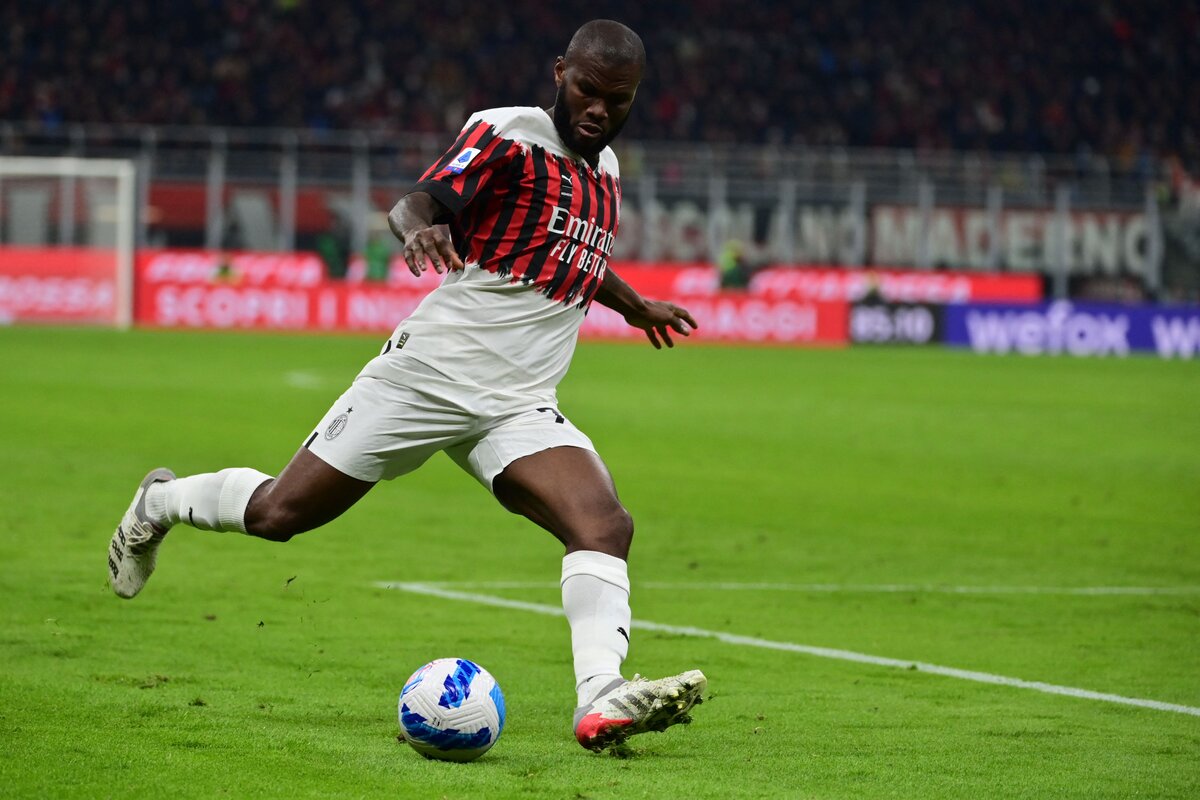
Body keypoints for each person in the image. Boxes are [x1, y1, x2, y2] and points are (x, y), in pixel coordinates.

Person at [107, 19, 706, 754]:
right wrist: (419, 229)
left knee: (605, 525)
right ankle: (159, 501)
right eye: (586, 90)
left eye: (617, 99)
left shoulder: (605, 171)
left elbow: (566, 252)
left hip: (518, 404)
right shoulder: (507, 133)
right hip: (429, 375)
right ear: (559, 72)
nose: (597, 110)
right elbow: (418, 202)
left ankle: (600, 698)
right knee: (280, 514)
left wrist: (632, 302)